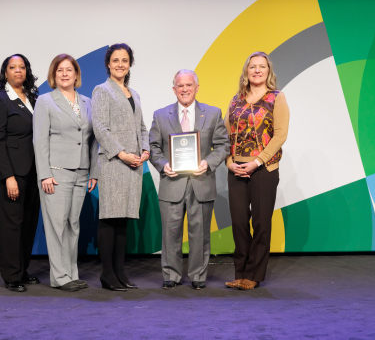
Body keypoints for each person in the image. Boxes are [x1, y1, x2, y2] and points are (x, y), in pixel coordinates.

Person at [149, 69, 230, 290]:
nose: (184, 89)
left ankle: (198, 276)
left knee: (200, 233)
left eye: (189, 85)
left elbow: (223, 145)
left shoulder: (213, 113)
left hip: (201, 182)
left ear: (196, 87)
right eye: (180, 86)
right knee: (170, 233)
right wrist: (163, 164)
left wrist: (209, 163)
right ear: (174, 89)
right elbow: (153, 147)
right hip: (171, 182)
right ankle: (171, 275)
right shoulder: (160, 115)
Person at [224, 51, 289, 290]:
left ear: (268, 71)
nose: (257, 70)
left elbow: (280, 135)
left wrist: (257, 162)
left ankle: (253, 275)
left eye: (262, 66)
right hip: (236, 169)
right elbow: (226, 135)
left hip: (264, 169)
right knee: (239, 223)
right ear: (247, 71)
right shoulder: (235, 100)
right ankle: (240, 272)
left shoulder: (276, 98)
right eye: (253, 67)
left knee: (261, 224)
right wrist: (229, 162)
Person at [33, 54, 98, 292]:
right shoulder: (45, 101)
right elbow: (39, 140)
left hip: (82, 172)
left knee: (73, 224)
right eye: (60, 70)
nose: (64, 73)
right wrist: (44, 174)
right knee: (57, 225)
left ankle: (71, 273)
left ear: (76, 74)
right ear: (54, 74)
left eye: (69, 70)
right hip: (57, 173)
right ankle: (59, 277)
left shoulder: (88, 102)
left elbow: (92, 141)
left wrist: (94, 172)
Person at [91, 43, 149, 291]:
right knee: (110, 219)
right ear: (108, 64)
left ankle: (120, 272)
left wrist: (145, 150)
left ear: (130, 64)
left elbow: (142, 128)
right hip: (115, 163)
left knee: (123, 220)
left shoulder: (133, 93)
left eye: (124, 60)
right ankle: (107, 274)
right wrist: (123, 154)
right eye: (115, 60)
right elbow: (100, 128)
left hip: (134, 164)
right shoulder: (102, 90)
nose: (120, 64)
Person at [0, 54, 41, 292]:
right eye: (12, 67)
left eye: (22, 67)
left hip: (31, 169)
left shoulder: (34, 99)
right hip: (7, 171)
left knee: (28, 222)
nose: (18, 70)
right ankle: (11, 276)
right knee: (11, 223)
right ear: (5, 73)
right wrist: (8, 177)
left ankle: (22, 269)